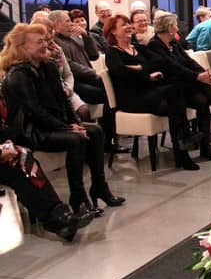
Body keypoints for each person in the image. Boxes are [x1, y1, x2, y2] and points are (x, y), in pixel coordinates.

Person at [0, 23, 123, 214]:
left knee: (96, 131)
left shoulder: (48, 66)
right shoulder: (17, 75)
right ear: (22, 47)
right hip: (30, 130)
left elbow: (64, 101)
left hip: (51, 124)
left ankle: (100, 188)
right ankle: (78, 198)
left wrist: (75, 123)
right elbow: (34, 111)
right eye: (39, 42)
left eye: (45, 41)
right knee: (75, 139)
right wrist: (67, 128)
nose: (45, 45)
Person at [104, 14, 203, 170]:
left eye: (129, 23)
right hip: (133, 98)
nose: (128, 26)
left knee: (175, 98)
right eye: (123, 24)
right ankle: (183, 147)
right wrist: (147, 76)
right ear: (113, 31)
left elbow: (158, 61)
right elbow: (122, 73)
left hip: (150, 93)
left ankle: (182, 150)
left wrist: (140, 68)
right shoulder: (112, 52)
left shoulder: (138, 48)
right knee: (175, 101)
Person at [146, 14, 211, 161]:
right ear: (169, 28)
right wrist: (198, 76)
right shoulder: (154, 46)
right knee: (203, 85)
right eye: (175, 25)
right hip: (169, 89)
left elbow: (189, 61)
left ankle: (206, 146)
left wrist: (204, 73)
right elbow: (173, 67)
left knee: (203, 100)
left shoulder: (174, 43)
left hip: (184, 84)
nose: (177, 28)